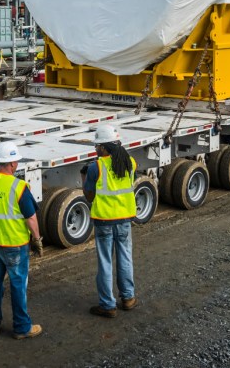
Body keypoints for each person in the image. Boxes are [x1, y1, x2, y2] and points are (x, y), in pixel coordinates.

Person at [0, 142, 44, 339]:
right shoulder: (19, 187)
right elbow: (31, 217)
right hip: (15, 244)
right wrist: (37, 239)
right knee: (18, 284)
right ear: (13, 164)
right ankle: (22, 328)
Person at [84, 124, 138, 318]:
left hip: (104, 220)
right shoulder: (130, 161)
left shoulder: (96, 167)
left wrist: (85, 179)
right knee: (125, 256)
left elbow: (89, 195)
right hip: (124, 218)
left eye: (97, 146)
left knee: (105, 262)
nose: (95, 149)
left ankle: (107, 305)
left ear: (105, 147)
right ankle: (128, 298)